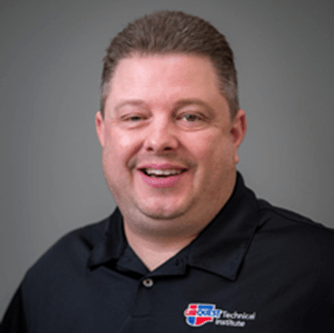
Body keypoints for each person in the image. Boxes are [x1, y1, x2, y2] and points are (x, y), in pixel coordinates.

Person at [1, 10, 333, 332]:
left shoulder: (319, 271)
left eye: (190, 116)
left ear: (234, 134)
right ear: (103, 132)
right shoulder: (54, 275)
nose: (159, 141)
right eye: (134, 117)